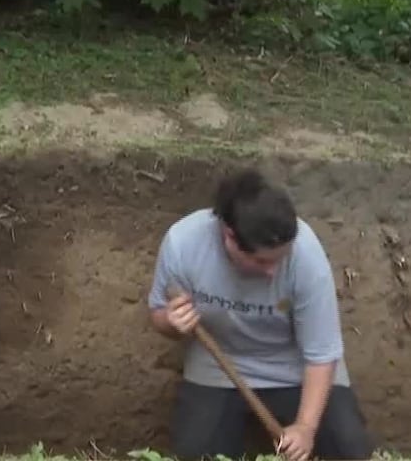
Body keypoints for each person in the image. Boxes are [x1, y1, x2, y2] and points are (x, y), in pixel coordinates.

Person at [147, 168, 377, 461]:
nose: (272, 272)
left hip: (295, 365)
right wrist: (171, 322)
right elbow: (158, 315)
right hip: (218, 367)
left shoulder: (306, 254)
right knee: (196, 454)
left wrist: (305, 428)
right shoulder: (183, 244)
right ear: (229, 236)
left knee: (350, 450)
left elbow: (321, 354)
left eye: (279, 260)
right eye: (261, 261)